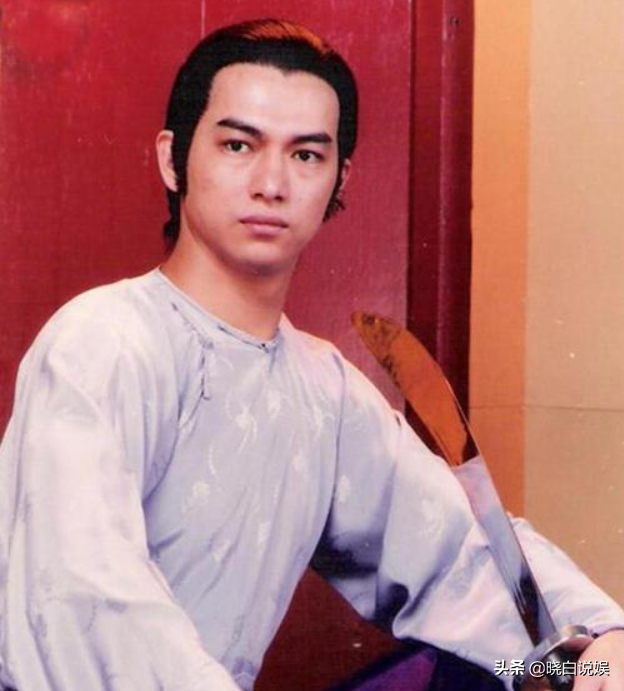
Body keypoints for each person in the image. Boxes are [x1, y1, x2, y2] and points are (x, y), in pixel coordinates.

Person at [0, 18, 622, 691]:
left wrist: (598, 641)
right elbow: (87, 596)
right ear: (172, 158)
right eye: (238, 145)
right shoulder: (103, 340)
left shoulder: (322, 388)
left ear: (338, 177)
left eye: (305, 155)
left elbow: (458, 550)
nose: (272, 182)